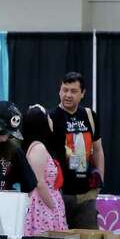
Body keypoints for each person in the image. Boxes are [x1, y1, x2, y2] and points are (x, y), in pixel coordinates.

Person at [49, 72, 103, 229]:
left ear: (83, 93)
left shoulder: (90, 116)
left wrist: (99, 180)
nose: (68, 95)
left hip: (85, 195)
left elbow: (98, 150)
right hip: (59, 194)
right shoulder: (50, 118)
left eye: (73, 91)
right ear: (59, 91)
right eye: (64, 90)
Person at [21, 105, 68, 236]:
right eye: (48, 117)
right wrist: (53, 207)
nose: (51, 120)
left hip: (45, 204)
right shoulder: (38, 148)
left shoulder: (40, 146)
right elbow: (39, 182)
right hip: (42, 207)